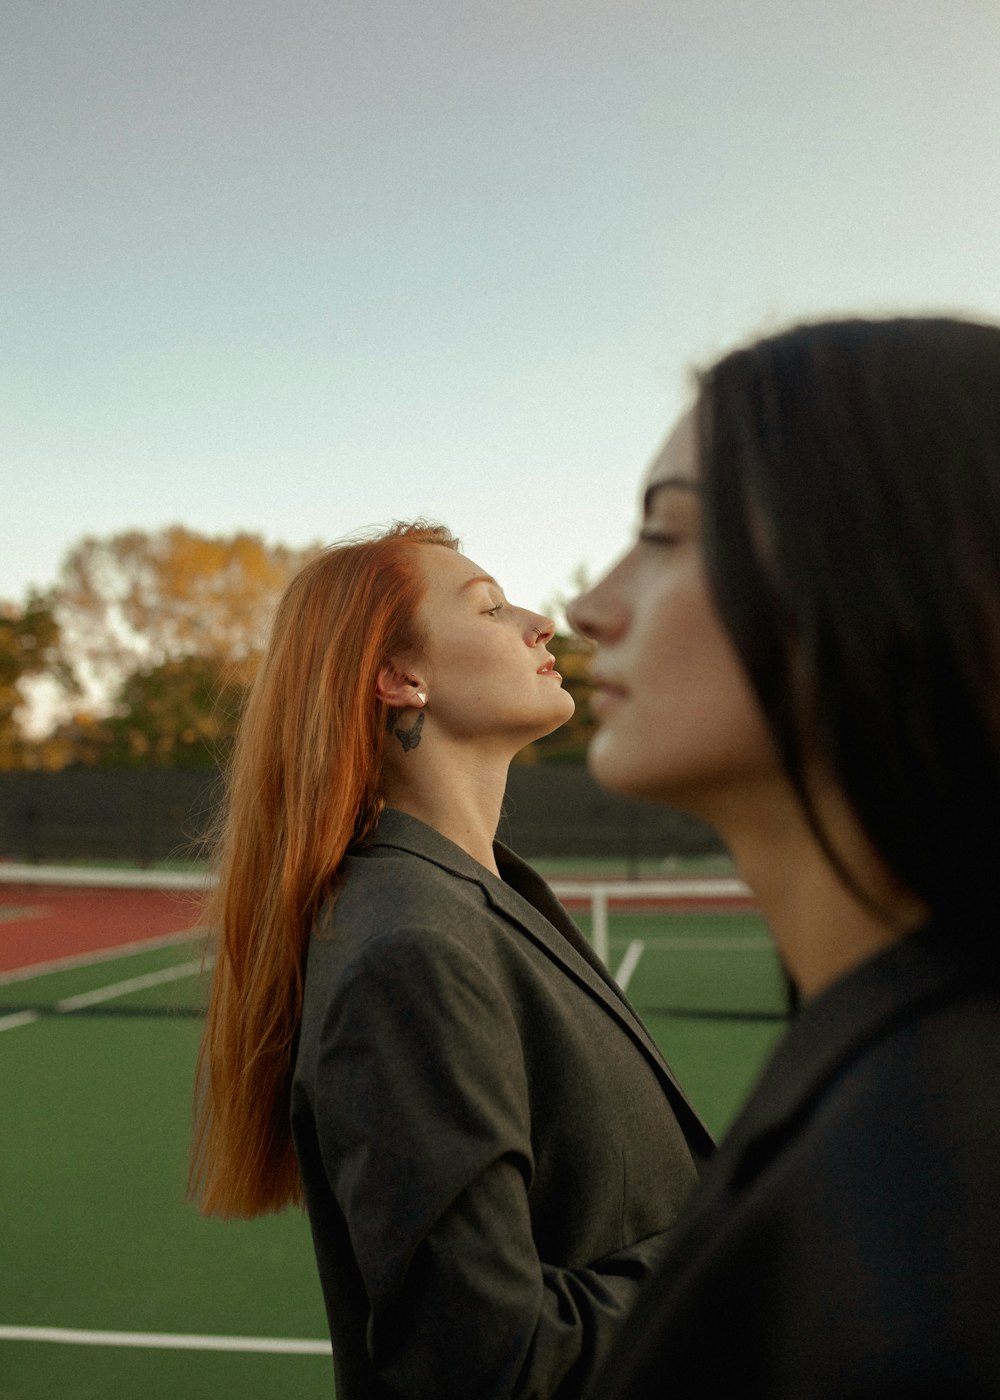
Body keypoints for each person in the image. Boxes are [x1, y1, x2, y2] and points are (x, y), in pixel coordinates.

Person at [568, 317, 1000, 1398]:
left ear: (876, 567)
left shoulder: (923, 1220)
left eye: (665, 534)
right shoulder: (894, 1066)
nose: (587, 605)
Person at [190, 521, 712, 1400]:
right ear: (400, 678)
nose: (542, 622)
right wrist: (741, 1255)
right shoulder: (409, 952)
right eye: (491, 607)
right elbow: (488, 1366)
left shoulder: (478, 897)